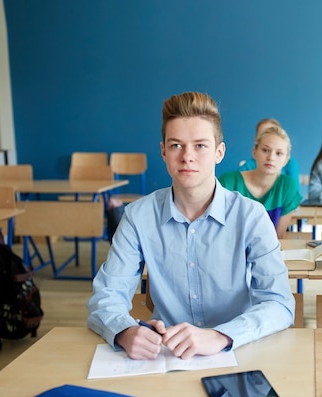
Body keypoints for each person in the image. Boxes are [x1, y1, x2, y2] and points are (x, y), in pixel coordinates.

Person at [87, 91, 295, 360]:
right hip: (165, 357)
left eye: (200, 145)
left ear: (219, 152)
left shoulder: (251, 216)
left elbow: (279, 304)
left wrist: (221, 336)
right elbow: (106, 295)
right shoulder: (138, 216)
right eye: (176, 145)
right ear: (163, 151)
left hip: (237, 351)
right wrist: (124, 331)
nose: (187, 156)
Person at [219, 125, 302, 238]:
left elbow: (278, 237)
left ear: (286, 160)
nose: (271, 157)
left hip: (267, 252)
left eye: (279, 153)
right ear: (254, 152)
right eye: (265, 150)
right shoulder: (227, 183)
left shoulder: (287, 186)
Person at [239, 118, 300, 190]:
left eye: (272, 132)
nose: (271, 158)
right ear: (255, 139)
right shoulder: (247, 167)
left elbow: (295, 191)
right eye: (264, 134)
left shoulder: (290, 163)